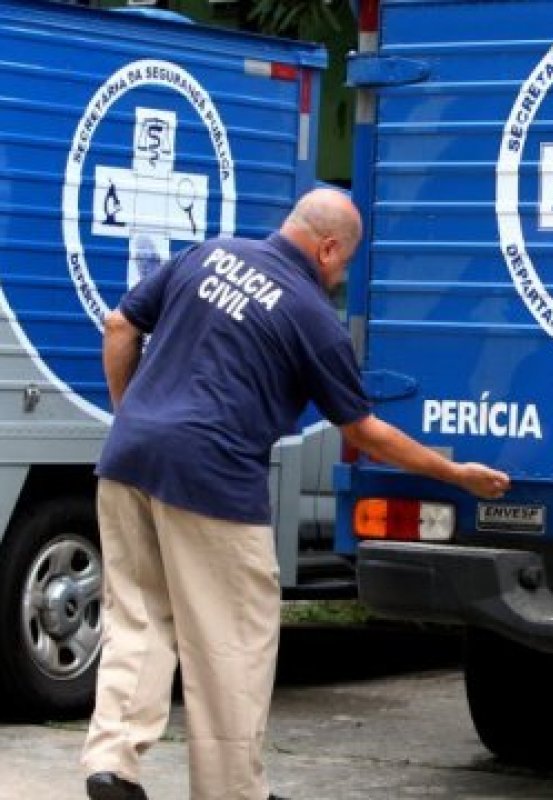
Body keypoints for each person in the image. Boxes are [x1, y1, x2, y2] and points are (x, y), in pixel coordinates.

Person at [81, 188, 510, 800]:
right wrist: (455, 474)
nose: (339, 276)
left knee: (139, 617)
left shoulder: (206, 253)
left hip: (127, 462)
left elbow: (120, 324)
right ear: (328, 247)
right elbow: (365, 432)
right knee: (233, 639)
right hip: (216, 480)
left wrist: (131, 418)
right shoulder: (312, 317)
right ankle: (233, 791)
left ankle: (112, 765)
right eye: (343, 263)